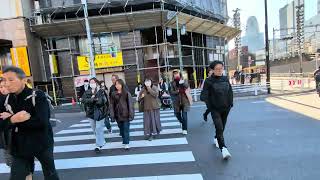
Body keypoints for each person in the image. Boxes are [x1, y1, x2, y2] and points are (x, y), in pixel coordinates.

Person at [0, 66, 59, 179]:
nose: (7, 84)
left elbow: (42, 122)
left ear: (23, 80)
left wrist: (11, 120)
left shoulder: (37, 96)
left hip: (42, 142)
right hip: (19, 145)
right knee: (17, 176)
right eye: (4, 80)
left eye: (11, 80)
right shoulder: (6, 100)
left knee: (50, 173)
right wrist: (14, 119)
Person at [201, 61, 233, 160]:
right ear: (212, 70)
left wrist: (230, 103)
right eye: (217, 69)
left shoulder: (225, 78)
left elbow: (230, 91)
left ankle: (216, 138)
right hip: (215, 109)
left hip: (226, 108)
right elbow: (203, 96)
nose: (219, 71)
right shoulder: (208, 81)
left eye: (221, 68)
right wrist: (210, 105)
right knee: (219, 128)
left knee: (222, 128)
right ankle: (223, 148)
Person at [81, 78, 108, 153]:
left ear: (96, 83)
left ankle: (98, 145)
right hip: (90, 113)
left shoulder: (101, 91)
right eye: (90, 82)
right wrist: (92, 99)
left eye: (93, 82)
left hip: (100, 112)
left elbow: (102, 101)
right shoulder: (87, 92)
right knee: (94, 129)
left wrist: (93, 100)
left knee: (98, 128)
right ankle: (102, 141)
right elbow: (83, 100)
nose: (91, 83)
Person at [109, 79, 135, 150]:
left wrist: (131, 115)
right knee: (121, 128)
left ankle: (126, 143)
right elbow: (111, 105)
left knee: (126, 129)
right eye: (116, 84)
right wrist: (112, 115)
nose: (117, 86)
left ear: (122, 85)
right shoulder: (113, 94)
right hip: (118, 115)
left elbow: (130, 104)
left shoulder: (126, 93)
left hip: (126, 114)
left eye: (119, 84)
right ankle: (124, 138)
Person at [169, 70, 190, 135]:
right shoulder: (172, 83)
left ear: (179, 74)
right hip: (176, 101)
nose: (176, 75)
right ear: (173, 75)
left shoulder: (184, 80)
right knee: (177, 114)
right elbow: (171, 92)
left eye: (177, 73)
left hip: (184, 100)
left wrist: (182, 82)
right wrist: (177, 91)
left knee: (184, 115)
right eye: (174, 74)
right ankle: (182, 122)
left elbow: (186, 86)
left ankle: (184, 129)